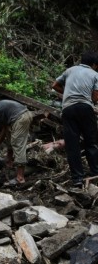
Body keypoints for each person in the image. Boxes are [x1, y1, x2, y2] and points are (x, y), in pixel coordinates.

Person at [52, 52, 98, 188]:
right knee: (91, 141)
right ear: (94, 64)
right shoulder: (95, 74)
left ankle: (77, 179)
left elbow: (55, 85)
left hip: (68, 109)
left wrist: (67, 93)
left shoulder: (69, 70)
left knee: (72, 145)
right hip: (85, 108)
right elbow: (95, 97)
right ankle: (95, 172)